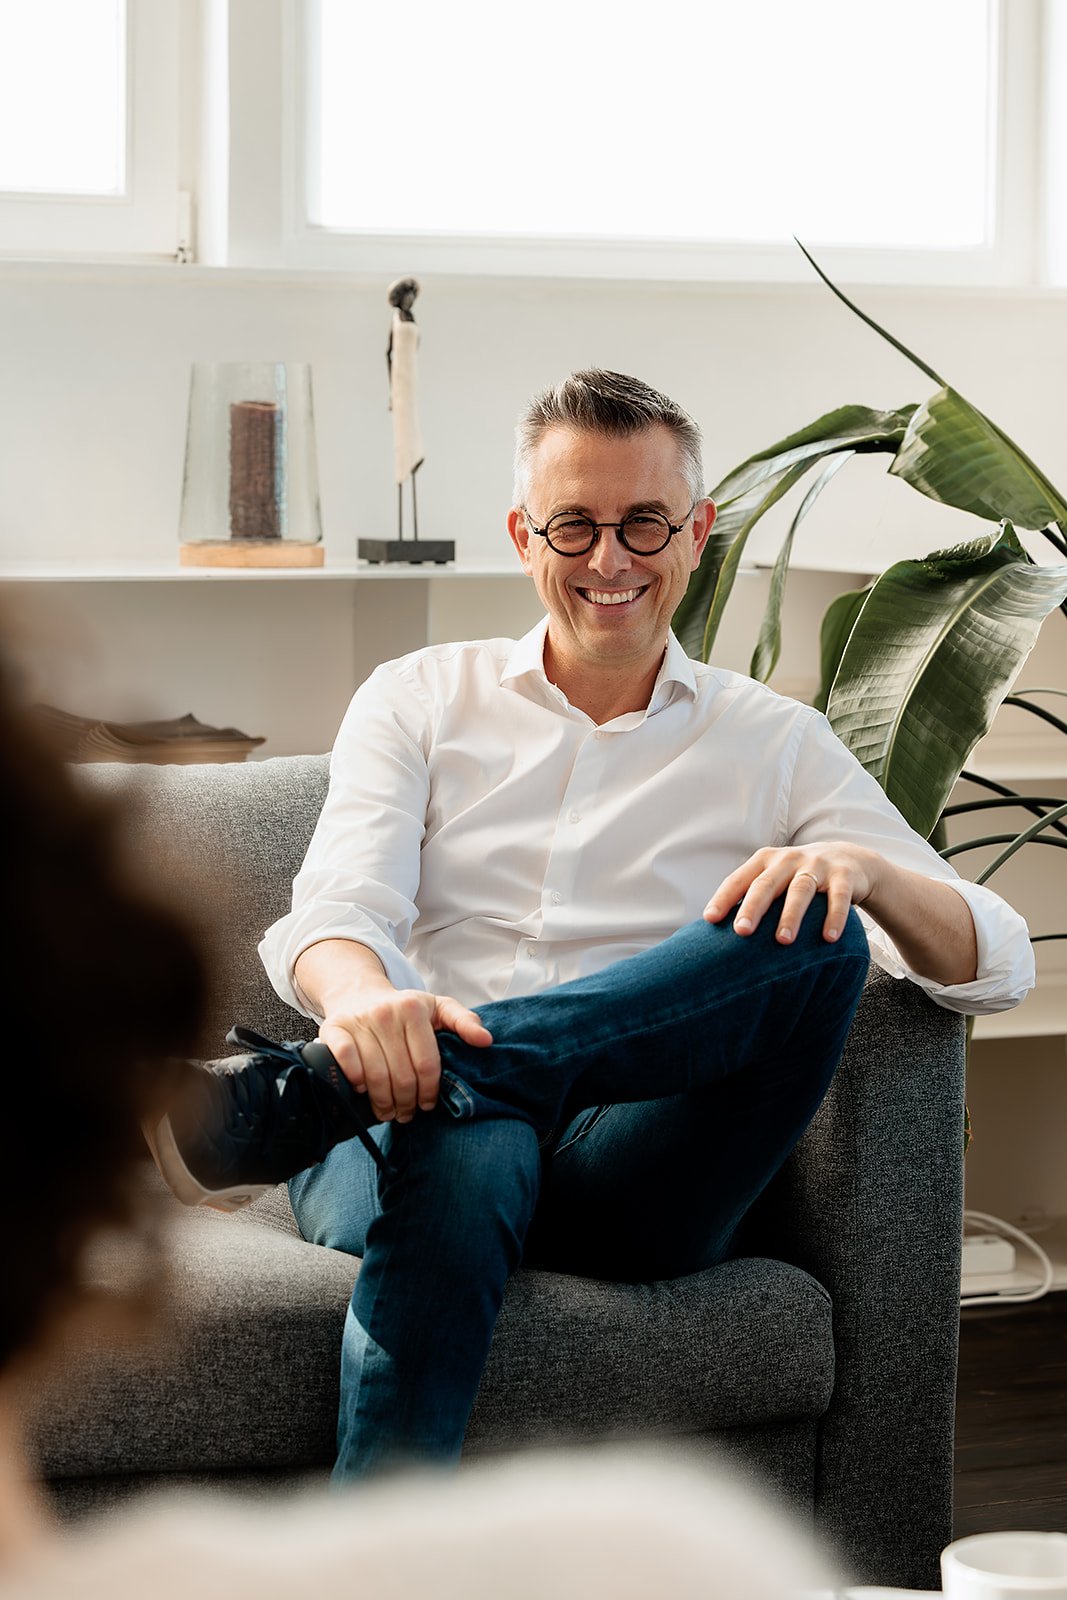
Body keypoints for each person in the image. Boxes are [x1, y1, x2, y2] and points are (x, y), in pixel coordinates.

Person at [150, 369, 1034, 1486]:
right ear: (524, 534)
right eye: (574, 524)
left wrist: (858, 865)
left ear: (695, 533)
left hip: (633, 1171)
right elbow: (335, 913)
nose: (609, 560)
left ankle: (305, 1096)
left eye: (643, 524)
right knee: (463, 1125)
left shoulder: (773, 741)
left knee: (821, 931)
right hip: (405, 1131)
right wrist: (368, 1008)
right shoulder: (417, 697)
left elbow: (988, 959)